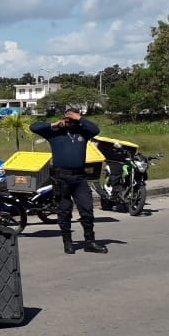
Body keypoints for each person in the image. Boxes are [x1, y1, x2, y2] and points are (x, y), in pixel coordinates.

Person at [30, 105, 108, 254]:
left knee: (87, 210)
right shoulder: (54, 133)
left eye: (73, 118)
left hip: (80, 177)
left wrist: (79, 118)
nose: (69, 121)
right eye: (68, 117)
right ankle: (68, 242)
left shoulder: (82, 132)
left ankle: (90, 242)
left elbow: (95, 130)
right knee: (64, 211)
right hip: (62, 178)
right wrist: (53, 124)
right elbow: (34, 127)